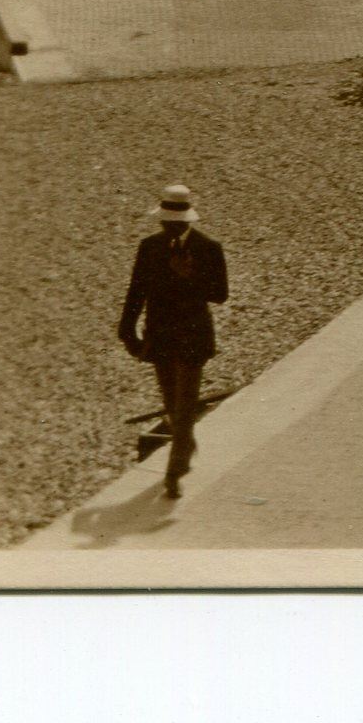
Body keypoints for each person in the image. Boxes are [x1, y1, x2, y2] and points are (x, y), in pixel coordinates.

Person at [117, 186, 229, 499]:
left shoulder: (208, 248)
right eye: (165, 221)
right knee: (171, 403)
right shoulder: (149, 246)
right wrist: (126, 330)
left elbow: (220, 294)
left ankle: (174, 473)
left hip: (193, 336)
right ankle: (186, 445)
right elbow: (136, 290)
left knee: (185, 405)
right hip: (161, 335)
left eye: (172, 222)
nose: (167, 226)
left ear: (185, 222)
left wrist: (189, 277)